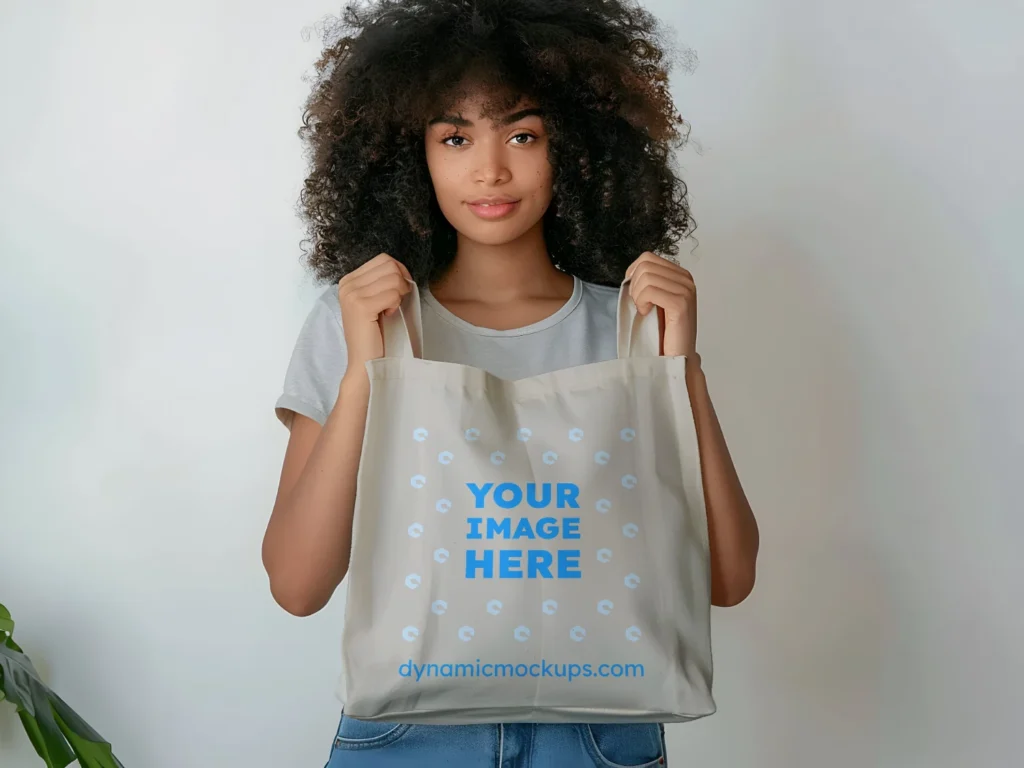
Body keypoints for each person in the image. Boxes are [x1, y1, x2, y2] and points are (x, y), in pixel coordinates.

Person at [263, 1, 759, 765]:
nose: (490, 168)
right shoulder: (361, 320)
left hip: (601, 736)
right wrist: (370, 370)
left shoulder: (627, 326)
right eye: (455, 136)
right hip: (407, 739)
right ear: (409, 154)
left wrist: (676, 367)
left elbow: (728, 578)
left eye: (523, 134)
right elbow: (297, 587)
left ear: (579, 147)